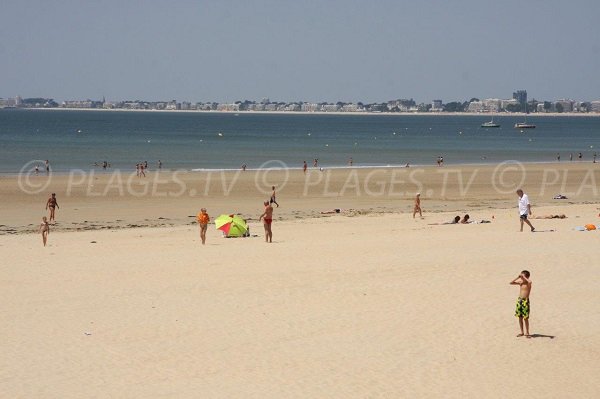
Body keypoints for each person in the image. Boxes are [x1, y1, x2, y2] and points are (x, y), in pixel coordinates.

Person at [510, 270, 532, 337]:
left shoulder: (528, 283)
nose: (521, 277)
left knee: (525, 318)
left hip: (525, 301)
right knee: (520, 317)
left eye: (522, 276)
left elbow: (530, 281)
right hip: (519, 301)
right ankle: (522, 332)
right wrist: (517, 277)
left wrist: (524, 277)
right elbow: (511, 283)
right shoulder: (521, 283)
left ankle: (527, 332)